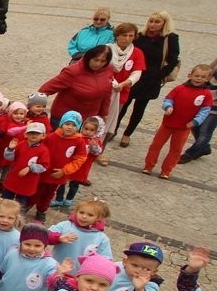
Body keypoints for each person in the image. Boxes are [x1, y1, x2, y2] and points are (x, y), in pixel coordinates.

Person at [118, 11, 181, 148]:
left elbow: (173, 60)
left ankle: (127, 134)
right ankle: (114, 129)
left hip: (151, 78)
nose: (153, 25)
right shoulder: (140, 36)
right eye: (151, 21)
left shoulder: (170, 38)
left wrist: (159, 75)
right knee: (123, 103)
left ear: (164, 23)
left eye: (157, 22)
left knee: (139, 107)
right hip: (135, 75)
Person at [142, 63, 214, 180]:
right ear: (190, 75)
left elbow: (205, 111)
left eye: (202, 77)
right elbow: (168, 99)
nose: (199, 79)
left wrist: (195, 122)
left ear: (207, 79)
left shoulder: (206, 94)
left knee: (175, 150)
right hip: (168, 124)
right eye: (197, 76)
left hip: (184, 127)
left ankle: (166, 170)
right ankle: (148, 166)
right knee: (156, 145)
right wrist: (168, 107)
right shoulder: (180, 88)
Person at [39, 45, 115, 125]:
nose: (98, 64)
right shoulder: (73, 71)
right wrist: (37, 109)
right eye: (95, 60)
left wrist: (103, 114)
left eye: (103, 61)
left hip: (88, 121)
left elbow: (107, 93)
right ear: (89, 57)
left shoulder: (108, 69)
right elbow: (46, 89)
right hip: (65, 120)